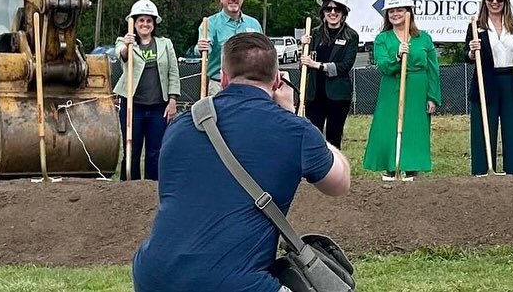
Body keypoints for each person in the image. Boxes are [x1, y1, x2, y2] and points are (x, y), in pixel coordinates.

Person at [132, 33, 351, 292]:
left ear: (224, 78)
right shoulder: (294, 130)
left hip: (153, 276)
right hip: (237, 282)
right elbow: (340, 182)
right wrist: (292, 115)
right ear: (277, 80)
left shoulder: (181, 125)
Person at [363, 0, 441, 181]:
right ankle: (391, 167)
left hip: (418, 89)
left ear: (409, 12)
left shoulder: (423, 38)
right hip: (392, 88)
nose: (395, 14)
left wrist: (432, 96)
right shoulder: (383, 39)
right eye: (391, 11)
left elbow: (433, 69)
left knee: (415, 127)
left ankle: (411, 168)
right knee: (388, 126)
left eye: (400, 9)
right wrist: (398, 56)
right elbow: (383, 66)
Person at [464, 0, 513, 175]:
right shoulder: (476, 26)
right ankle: (482, 171)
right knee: (484, 129)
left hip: (512, 82)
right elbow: (466, 56)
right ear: (484, 0)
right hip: (486, 82)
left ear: (506, 0)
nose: (494, 2)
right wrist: (471, 50)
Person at [114, 0, 180, 181]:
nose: (145, 24)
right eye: (141, 20)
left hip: (159, 107)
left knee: (155, 152)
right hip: (132, 106)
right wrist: (127, 45)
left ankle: (152, 190)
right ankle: (128, 189)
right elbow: (121, 54)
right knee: (131, 150)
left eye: (148, 21)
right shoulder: (125, 41)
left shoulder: (165, 44)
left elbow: (173, 72)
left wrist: (173, 100)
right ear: (134, 23)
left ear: (154, 24)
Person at [299, 0, 359, 149]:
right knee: (314, 136)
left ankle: (334, 172)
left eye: (337, 8)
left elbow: (345, 66)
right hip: (314, 95)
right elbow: (303, 65)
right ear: (323, 11)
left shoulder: (351, 36)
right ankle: (314, 172)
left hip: (338, 96)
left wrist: (319, 66)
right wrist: (303, 48)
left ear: (343, 12)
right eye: (328, 8)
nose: (333, 12)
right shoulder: (313, 34)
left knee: (334, 137)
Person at [195, 0, 262, 96]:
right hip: (219, 86)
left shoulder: (254, 24)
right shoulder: (209, 24)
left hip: (250, 86)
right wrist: (200, 47)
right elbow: (203, 50)